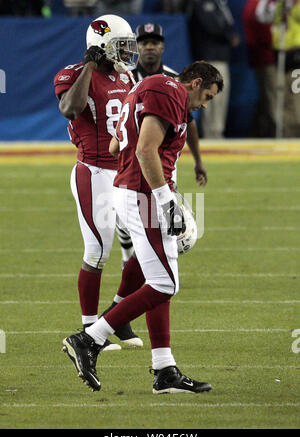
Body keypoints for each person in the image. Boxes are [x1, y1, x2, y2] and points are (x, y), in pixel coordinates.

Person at [62, 60, 223, 393]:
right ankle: (90, 338)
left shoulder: (146, 88)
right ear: (194, 83)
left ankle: (165, 370)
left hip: (136, 190)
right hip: (144, 195)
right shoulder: (168, 90)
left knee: (158, 279)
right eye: (207, 96)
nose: (205, 105)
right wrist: (167, 202)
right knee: (165, 285)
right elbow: (145, 149)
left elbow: (114, 145)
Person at [54, 15, 143, 351]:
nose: (126, 52)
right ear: (100, 48)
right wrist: (89, 68)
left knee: (146, 246)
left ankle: (116, 316)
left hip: (124, 171)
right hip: (94, 173)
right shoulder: (73, 75)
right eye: (120, 46)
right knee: (98, 251)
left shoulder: (127, 74)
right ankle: (90, 329)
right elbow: (70, 109)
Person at [115, 23, 208, 265]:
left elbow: (189, 123)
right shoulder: (125, 77)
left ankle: (146, 272)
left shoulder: (174, 79)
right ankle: (135, 265)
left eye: (154, 42)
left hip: (158, 168)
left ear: (163, 46)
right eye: (144, 42)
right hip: (129, 163)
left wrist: (198, 160)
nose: (149, 47)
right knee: (131, 226)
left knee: (161, 231)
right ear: (137, 46)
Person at [186, 0, 240, 139]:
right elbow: (210, 26)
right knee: (211, 96)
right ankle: (211, 132)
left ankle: (217, 132)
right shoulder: (201, 4)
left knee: (221, 98)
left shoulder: (219, 5)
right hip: (210, 57)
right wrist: (229, 36)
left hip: (220, 57)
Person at [256, 0, 300, 137]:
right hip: (281, 55)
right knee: (282, 97)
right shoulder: (278, 4)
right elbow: (261, 16)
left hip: (297, 56)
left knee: (296, 97)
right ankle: (288, 134)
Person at [243, 0, 277, 137]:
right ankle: (279, 133)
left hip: (265, 58)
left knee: (266, 99)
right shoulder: (256, 5)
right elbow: (262, 33)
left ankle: (258, 132)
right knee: (273, 97)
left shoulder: (255, 4)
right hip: (267, 58)